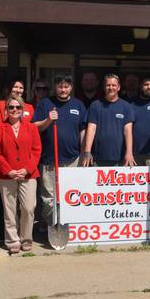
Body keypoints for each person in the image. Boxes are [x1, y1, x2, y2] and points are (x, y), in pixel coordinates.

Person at [0, 96, 42, 254]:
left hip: (28, 173)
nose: (14, 110)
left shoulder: (31, 128)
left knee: (28, 207)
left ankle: (26, 238)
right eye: (11, 107)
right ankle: (12, 240)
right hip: (6, 175)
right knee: (9, 209)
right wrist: (9, 170)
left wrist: (27, 169)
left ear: (22, 110)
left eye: (18, 108)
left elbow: (36, 150)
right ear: (6, 109)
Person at [33, 75, 88, 227]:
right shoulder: (45, 104)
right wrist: (48, 120)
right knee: (49, 197)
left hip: (72, 159)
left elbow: (83, 130)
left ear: (71, 87)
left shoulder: (78, 105)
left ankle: (68, 226)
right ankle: (52, 226)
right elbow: (35, 126)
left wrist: (84, 152)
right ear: (55, 87)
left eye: (66, 86)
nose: (63, 90)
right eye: (60, 86)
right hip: (49, 159)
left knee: (71, 194)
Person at [81, 74, 135, 167]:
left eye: (113, 85)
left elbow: (128, 131)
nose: (111, 88)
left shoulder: (126, 107)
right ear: (104, 87)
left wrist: (129, 153)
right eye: (108, 85)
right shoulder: (95, 105)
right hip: (97, 158)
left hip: (120, 158)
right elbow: (91, 129)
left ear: (118, 87)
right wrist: (87, 151)